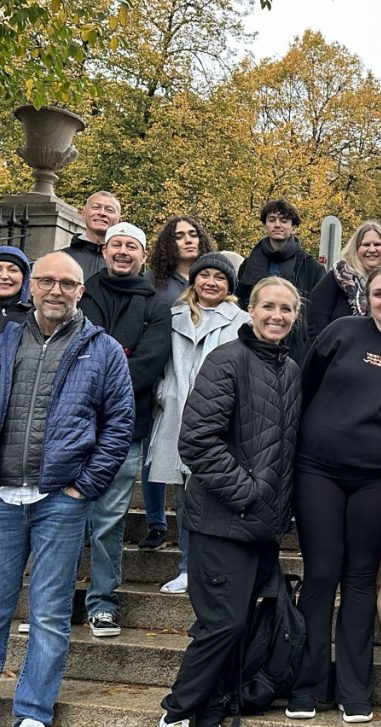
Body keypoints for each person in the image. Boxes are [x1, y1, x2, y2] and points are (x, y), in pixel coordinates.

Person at [0, 251, 133, 727]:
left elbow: (118, 426)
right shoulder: (3, 343)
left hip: (59, 501)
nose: (56, 290)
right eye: (46, 280)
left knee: (47, 616)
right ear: (31, 287)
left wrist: (84, 487)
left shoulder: (103, 350)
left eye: (67, 283)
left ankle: (31, 719)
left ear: (80, 292)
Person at [151, 276, 301, 727]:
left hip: (260, 527)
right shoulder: (226, 360)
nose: (277, 316)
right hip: (221, 519)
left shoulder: (290, 370)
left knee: (237, 628)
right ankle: (174, 720)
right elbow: (196, 441)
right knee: (221, 625)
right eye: (269, 307)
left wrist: (273, 508)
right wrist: (250, 493)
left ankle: (208, 726)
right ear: (250, 310)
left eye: (287, 309)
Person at [286, 264, 381, 723]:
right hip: (318, 473)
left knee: (358, 580)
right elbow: (304, 391)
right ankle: (307, 684)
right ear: (367, 299)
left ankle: (354, 689)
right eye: (378, 293)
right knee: (320, 574)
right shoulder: (341, 333)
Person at [79, 222, 173, 638]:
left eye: (131, 246)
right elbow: (75, 348)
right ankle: (58, 600)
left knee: (108, 520)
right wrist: (119, 352)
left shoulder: (155, 303)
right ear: (104, 250)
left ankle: (102, 603)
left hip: (124, 427)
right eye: (116, 243)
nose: (123, 251)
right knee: (64, 519)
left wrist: (109, 363)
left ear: (141, 255)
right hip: (73, 424)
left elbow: (149, 361)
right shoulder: (82, 293)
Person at [145, 253, 250, 595]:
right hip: (176, 415)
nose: (211, 282)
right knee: (184, 499)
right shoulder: (173, 315)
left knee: (213, 499)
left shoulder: (241, 321)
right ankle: (187, 568)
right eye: (204, 275)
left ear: (229, 286)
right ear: (194, 281)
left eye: (219, 278)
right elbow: (160, 360)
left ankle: (214, 569)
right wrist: (165, 392)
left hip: (218, 421)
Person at [136, 216, 219, 553]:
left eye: (193, 234)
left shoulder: (213, 277)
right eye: (179, 236)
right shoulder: (153, 281)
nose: (187, 240)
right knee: (153, 453)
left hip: (200, 378)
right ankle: (156, 522)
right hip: (161, 373)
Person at [236, 198, 325, 363]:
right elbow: (238, 302)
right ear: (265, 226)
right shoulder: (249, 264)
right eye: (272, 220)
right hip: (253, 344)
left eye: (284, 221)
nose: (277, 225)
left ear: (294, 228)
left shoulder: (311, 267)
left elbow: (317, 314)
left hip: (295, 349)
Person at [307, 220, 381, 337]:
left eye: (377, 244)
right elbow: (317, 321)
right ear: (356, 249)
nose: (372, 250)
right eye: (366, 245)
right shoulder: (336, 278)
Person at [62, 191, 122, 278]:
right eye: (96, 207)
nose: (102, 213)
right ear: (84, 213)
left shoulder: (125, 263)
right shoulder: (62, 257)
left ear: (119, 220)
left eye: (109, 210)